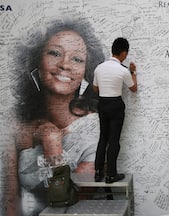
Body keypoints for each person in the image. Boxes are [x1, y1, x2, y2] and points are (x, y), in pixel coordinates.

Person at [9, 18, 105, 216]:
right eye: (54, 53)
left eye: (77, 59)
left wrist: (52, 144)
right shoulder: (16, 123)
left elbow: (71, 202)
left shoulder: (94, 130)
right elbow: (10, 203)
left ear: (86, 72)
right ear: (37, 60)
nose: (64, 65)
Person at [93, 37, 137, 183]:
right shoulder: (123, 70)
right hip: (116, 104)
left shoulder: (99, 68)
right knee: (114, 140)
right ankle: (111, 174)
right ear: (124, 53)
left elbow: (95, 88)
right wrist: (133, 72)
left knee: (103, 138)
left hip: (102, 103)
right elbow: (133, 88)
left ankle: (98, 172)